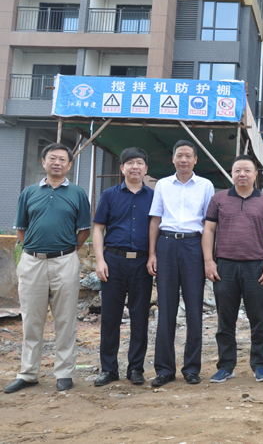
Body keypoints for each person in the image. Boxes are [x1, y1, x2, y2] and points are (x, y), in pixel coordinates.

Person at [5, 143, 91, 394]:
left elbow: (84, 230)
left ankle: (64, 373)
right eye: (52, 158)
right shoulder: (29, 193)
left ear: (70, 165)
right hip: (32, 262)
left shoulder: (77, 193)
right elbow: (21, 229)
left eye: (62, 159)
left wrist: (67, 251)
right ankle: (28, 373)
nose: (57, 163)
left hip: (65, 261)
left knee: (65, 319)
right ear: (43, 162)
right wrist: (33, 249)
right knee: (32, 319)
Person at [202, 155, 263, 383]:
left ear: (256, 174)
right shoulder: (219, 199)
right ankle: (226, 366)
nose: (242, 174)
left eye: (247, 170)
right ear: (232, 174)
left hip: (256, 267)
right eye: (237, 170)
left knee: (259, 319)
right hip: (224, 267)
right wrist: (209, 261)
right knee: (225, 320)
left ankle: (260, 365)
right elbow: (209, 230)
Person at [147, 140, 214, 387]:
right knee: (166, 308)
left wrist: (208, 258)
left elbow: (209, 224)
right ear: (173, 159)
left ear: (195, 160)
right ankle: (164, 369)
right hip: (166, 245)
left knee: (194, 308)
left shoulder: (206, 185)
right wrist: (152, 253)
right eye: (179, 155)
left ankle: (192, 368)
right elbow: (155, 220)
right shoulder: (163, 185)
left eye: (188, 156)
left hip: (194, 245)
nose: (183, 160)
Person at [92, 147, 154, 387]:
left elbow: (157, 228)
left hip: (142, 262)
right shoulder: (109, 195)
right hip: (113, 262)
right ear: (122, 168)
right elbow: (98, 228)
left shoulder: (154, 197)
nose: (134, 167)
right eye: (130, 163)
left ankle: (135, 368)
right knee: (110, 318)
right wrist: (100, 260)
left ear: (146, 169)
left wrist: (153, 256)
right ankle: (109, 369)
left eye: (139, 163)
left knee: (140, 317)